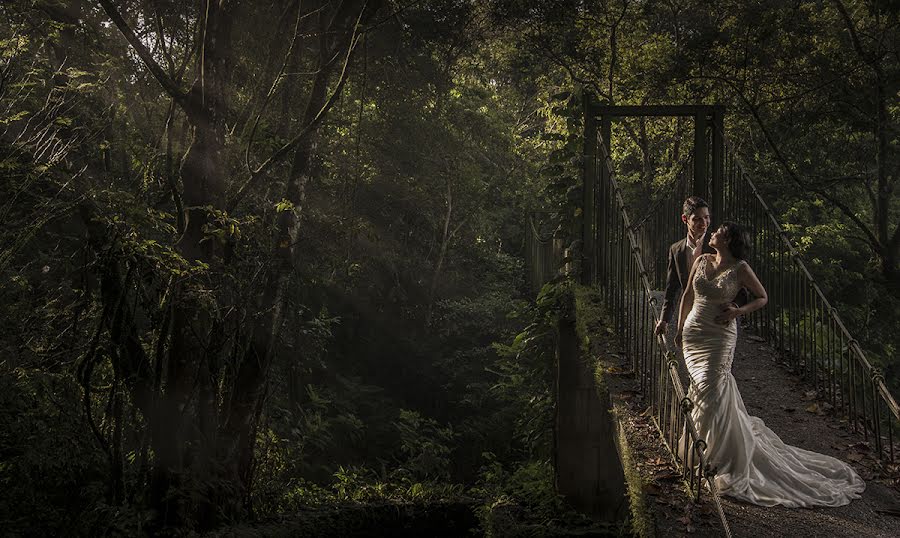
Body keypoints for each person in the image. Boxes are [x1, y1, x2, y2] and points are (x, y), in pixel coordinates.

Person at [675, 222, 865, 507]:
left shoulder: (740, 268)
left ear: (727, 239)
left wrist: (739, 311)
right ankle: (702, 450)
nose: (712, 232)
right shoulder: (701, 259)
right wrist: (679, 329)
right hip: (694, 334)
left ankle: (717, 456)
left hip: (719, 336)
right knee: (700, 392)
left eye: (718, 231)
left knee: (710, 388)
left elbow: (763, 297)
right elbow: (688, 294)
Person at [655, 196, 743, 337]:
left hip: (719, 319)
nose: (704, 223)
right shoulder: (676, 250)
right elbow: (673, 288)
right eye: (697, 219)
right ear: (685, 219)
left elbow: (741, 284)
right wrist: (664, 320)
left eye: (706, 217)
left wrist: (735, 307)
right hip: (692, 318)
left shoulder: (719, 244)